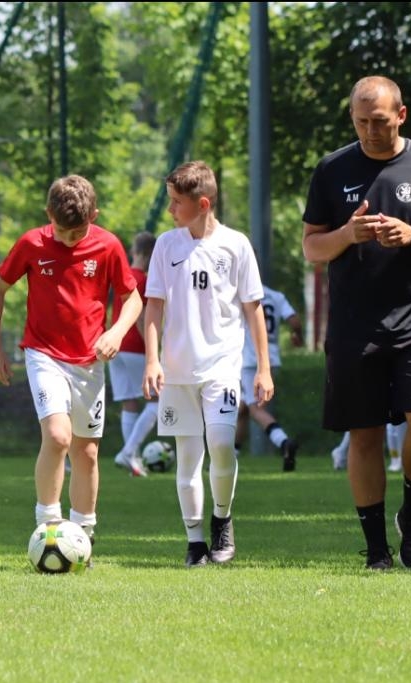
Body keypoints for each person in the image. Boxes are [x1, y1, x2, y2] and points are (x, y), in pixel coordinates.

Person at [302, 76, 411, 570]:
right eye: (361, 122)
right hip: (355, 324)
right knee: (365, 433)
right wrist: (347, 234)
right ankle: (376, 549)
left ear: (401, 115)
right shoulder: (332, 169)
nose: (370, 131)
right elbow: (312, 247)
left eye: (379, 121)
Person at [0, 175, 142, 555]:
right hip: (43, 354)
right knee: (57, 436)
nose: (70, 240)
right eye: (62, 231)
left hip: (89, 361)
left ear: (94, 216)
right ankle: (48, 530)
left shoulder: (108, 245)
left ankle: (84, 534)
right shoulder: (31, 243)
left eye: (78, 232)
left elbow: (132, 298)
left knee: (86, 453)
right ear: (48, 215)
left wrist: (116, 332)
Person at [143, 160, 272, 568]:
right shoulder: (166, 245)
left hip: (222, 366)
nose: (170, 210)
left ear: (202, 204)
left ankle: (222, 518)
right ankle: (195, 541)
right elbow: (153, 307)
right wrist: (152, 361)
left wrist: (263, 368)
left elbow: (253, 309)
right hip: (177, 371)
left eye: (176, 203)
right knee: (188, 459)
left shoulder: (236, 245)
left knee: (220, 442)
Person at [235, 283, 303, 471]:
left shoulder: (242, 293)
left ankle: (284, 442)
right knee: (243, 409)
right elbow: (294, 321)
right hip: (272, 358)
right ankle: (231, 456)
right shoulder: (276, 296)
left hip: (251, 358)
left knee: (256, 409)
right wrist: (298, 336)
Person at [108, 230, 159, 477]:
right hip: (136, 347)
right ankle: (128, 452)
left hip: (114, 346)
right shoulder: (144, 280)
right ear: (150, 254)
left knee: (129, 402)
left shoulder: (122, 276)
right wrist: (154, 350)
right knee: (158, 402)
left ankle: (132, 462)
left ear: (133, 251)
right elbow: (142, 318)